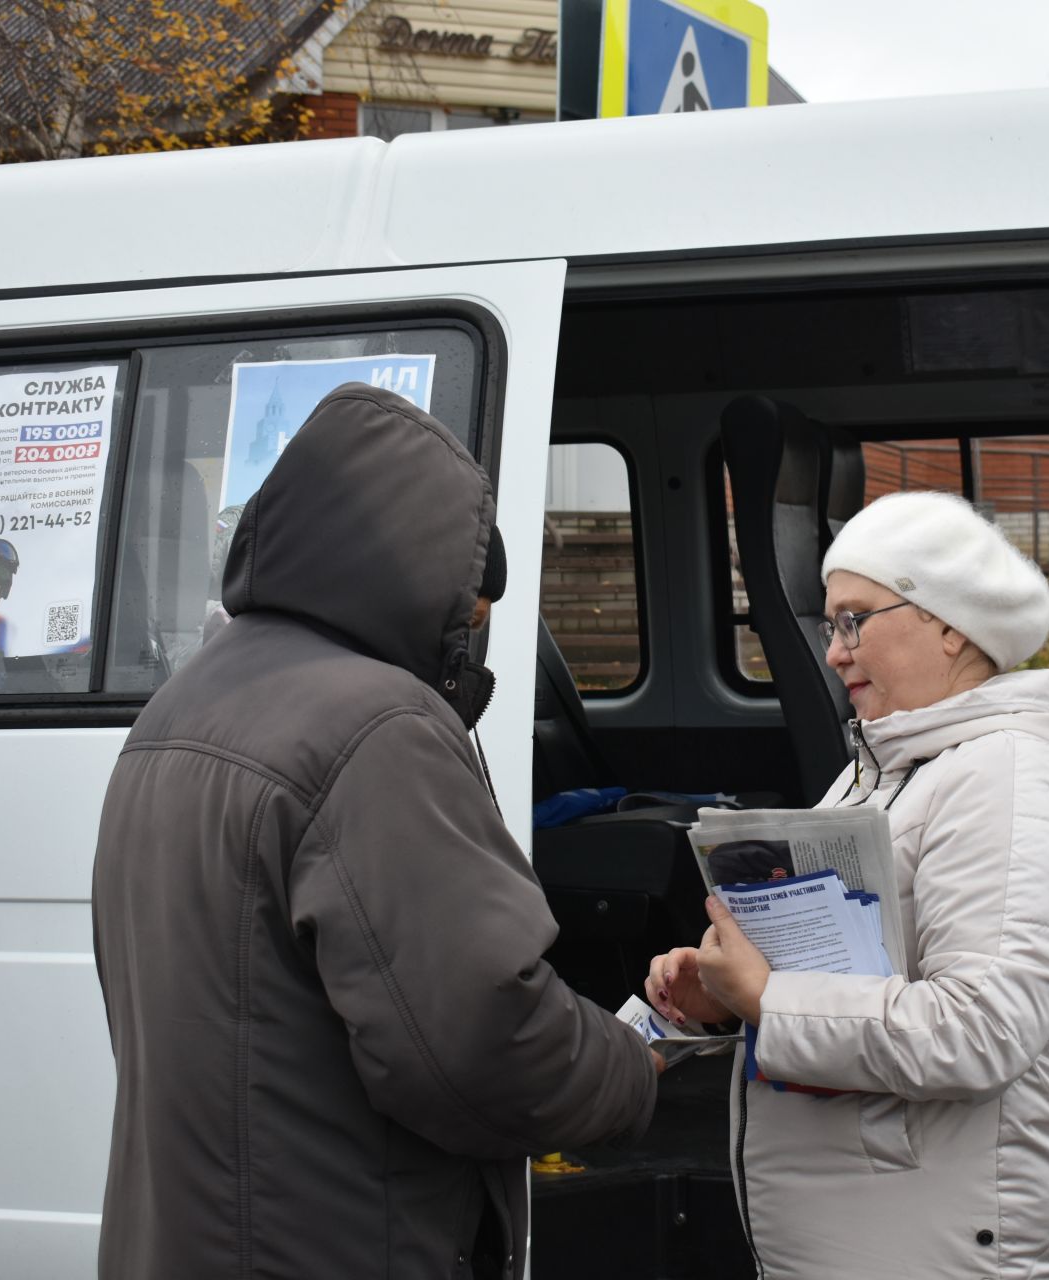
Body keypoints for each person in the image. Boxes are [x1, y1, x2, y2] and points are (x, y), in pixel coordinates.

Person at [92, 385, 659, 1280]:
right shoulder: (376, 726)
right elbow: (476, 1044)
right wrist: (633, 1064)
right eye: (469, 604)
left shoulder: (181, 704)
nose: (475, 630)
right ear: (413, 573)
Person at [646, 490, 1049, 1279]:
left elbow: (979, 1031)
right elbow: (851, 982)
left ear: (949, 625)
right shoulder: (886, 770)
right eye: (831, 625)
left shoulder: (1006, 777)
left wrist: (768, 999)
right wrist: (726, 1003)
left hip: (932, 1243)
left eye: (855, 619)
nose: (835, 652)